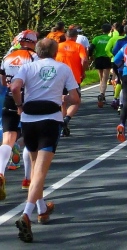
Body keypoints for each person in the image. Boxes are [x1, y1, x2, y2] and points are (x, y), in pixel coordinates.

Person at [11, 38, 80, 243]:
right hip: (50, 120)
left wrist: (20, 105)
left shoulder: (27, 67)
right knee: (40, 171)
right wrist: (64, 98)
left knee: (35, 168)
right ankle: (26, 213)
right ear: (55, 52)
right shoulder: (63, 68)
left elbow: (14, 87)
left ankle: (42, 210)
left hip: (29, 120)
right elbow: (76, 99)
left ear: (38, 51)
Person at [0, 31, 39, 197]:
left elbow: (3, 82)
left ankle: (1, 172)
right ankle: (27, 179)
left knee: (8, 138)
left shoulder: (7, 57)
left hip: (10, 98)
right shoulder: (35, 57)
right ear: (32, 42)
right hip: (28, 99)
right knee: (31, 138)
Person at [55, 28, 88, 137]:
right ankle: (66, 119)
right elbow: (84, 60)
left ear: (66, 36)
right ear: (76, 37)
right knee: (76, 101)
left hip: (59, 77)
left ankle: (61, 125)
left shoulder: (58, 46)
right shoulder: (79, 46)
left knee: (62, 101)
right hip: (74, 77)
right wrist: (83, 72)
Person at [90, 23, 113, 108]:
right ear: (110, 30)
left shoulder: (96, 38)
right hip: (107, 58)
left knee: (101, 78)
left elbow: (91, 48)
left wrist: (90, 56)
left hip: (98, 59)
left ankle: (102, 94)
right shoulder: (110, 39)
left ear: (101, 30)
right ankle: (102, 94)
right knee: (105, 78)